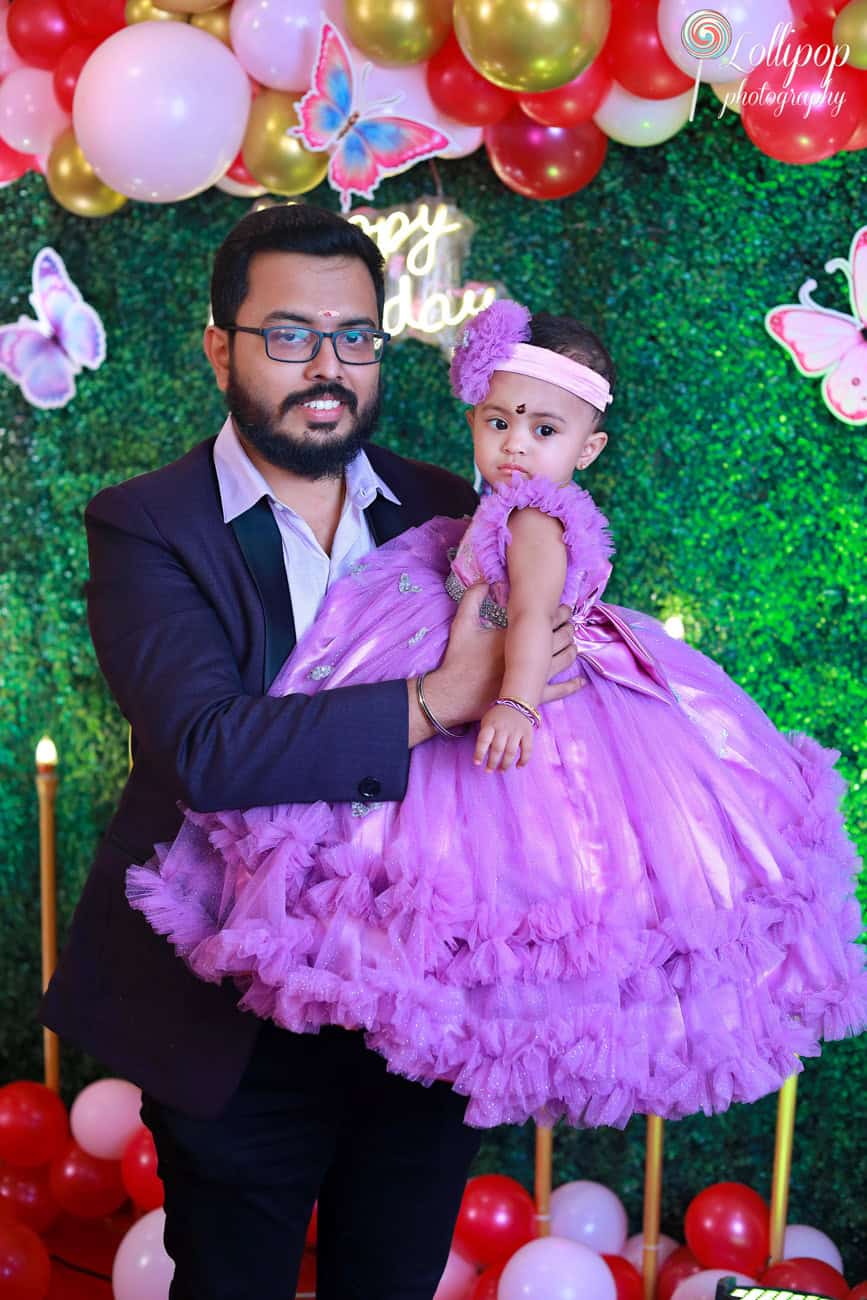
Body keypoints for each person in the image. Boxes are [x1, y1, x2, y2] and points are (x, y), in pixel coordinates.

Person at [129, 296, 867, 1137]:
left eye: (543, 431)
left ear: (587, 448)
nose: (515, 444)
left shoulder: (534, 519)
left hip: (519, 700)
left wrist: (512, 700)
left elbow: (529, 618)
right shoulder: (473, 511)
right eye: (498, 421)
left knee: (488, 867)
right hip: (450, 677)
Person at [39, 209, 582, 1300]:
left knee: (392, 1279)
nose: (328, 366)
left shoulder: (449, 505)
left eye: (356, 336)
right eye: (289, 334)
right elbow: (208, 748)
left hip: (420, 1007)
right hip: (235, 1018)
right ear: (219, 345)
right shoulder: (147, 525)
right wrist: (442, 698)